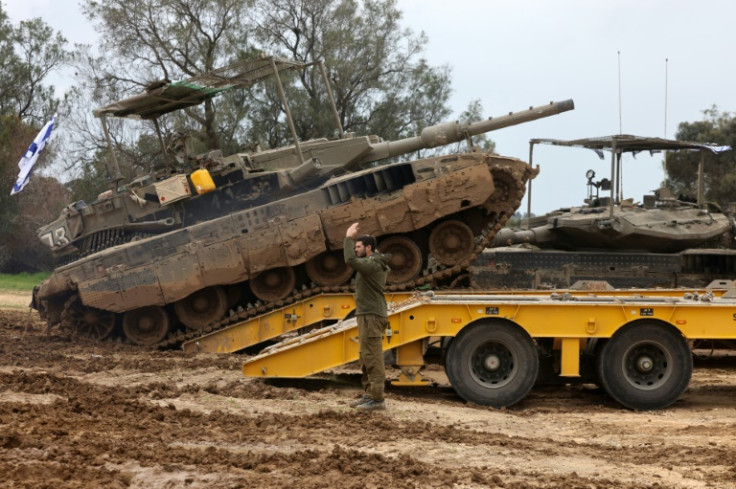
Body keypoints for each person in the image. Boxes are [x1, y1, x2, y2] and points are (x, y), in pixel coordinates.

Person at [344, 222, 391, 412]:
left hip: (372, 315)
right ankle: (370, 395)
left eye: (358, 247)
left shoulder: (372, 264)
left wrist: (348, 237)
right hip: (367, 315)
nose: (355, 250)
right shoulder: (372, 263)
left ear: (368, 248)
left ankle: (378, 399)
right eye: (354, 247)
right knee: (365, 357)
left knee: (373, 357)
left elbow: (350, 260)